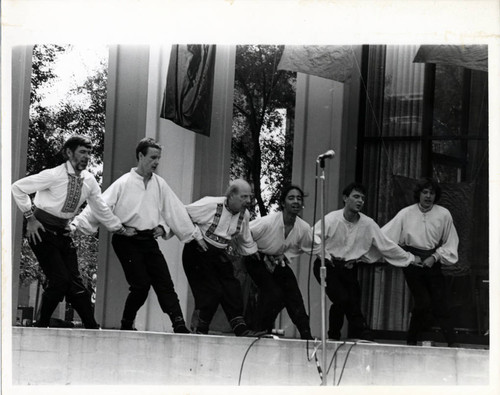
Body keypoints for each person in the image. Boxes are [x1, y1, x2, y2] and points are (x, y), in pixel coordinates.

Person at [73, 137, 204, 333]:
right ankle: (127, 323)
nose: (156, 162)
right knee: (141, 285)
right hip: (126, 239)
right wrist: (76, 225)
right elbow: (99, 206)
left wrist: (169, 229)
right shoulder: (124, 182)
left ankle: (178, 323)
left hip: (148, 240)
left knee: (164, 282)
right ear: (140, 156)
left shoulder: (160, 184)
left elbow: (174, 210)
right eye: (152, 157)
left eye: (158, 158)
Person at [12, 135, 132, 329]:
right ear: (69, 153)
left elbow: (100, 208)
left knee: (75, 283)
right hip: (41, 231)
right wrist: (30, 219)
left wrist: (119, 228)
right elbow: (18, 188)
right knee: (60, 279)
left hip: (64, 233)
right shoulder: (53, 175)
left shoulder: (90, 181)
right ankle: (41, 324)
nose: (86, 157)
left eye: (89, 153)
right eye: (82, 152)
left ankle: (92, 327)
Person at [313, 182, 420, 341]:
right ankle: (350, 334)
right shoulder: (331, 219)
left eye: (362, 198)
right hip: (327, 266)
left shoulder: (368, 223)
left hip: (349, 268)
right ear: (345, 198)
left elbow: (386, 245)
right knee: (341, 298)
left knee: (352, 301)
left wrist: (410, 258)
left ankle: (348, 335)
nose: (360, 201)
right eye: (356, 197)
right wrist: (326, 257)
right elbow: (313, 238)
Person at [382, 177, 459, 347]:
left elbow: (451, 242)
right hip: (413, 264)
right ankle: (411, 340)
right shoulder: (406, 213)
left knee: (440, 302)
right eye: (425, 192)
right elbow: (384, 238)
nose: (428, 196)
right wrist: (408, 257)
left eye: (432, 193)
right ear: (419, 194)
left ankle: (453, 344)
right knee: (423, 302)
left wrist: (435, 257)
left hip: (433, 261)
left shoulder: (444, 214)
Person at [182, 179, 265, 337]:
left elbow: (245, 237)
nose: (248, 201)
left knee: (232, 286)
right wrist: (196, 235)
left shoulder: (244, 215)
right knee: (211, 290)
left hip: (217, 253)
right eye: (244, 197)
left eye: (249, 197)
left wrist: (253, 251)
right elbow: (182, 213)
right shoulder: (210, 204)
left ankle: (240, 328)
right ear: (231, 195)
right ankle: (200, 328)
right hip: (197, 251)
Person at [244, 185, 321, 340]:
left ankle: (306, 334)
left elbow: (311, 246)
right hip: (255, 258)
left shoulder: (303, 227)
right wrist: (252, 250)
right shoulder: (268, 222)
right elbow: (243, 231)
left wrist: (287, 254)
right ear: (283, 203)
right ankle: (258, 328)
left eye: (299, 199)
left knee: (293, 294)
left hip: (277, 260)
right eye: (291, 198)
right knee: (274, 293)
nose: (296, 202)